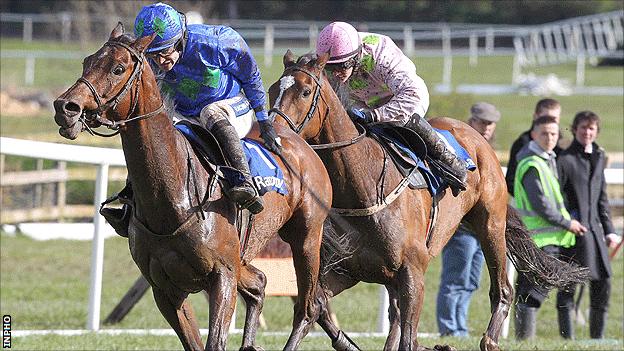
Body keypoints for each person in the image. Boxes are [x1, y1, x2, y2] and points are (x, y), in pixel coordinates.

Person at [101, 3, 280, 235]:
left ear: (180, 39)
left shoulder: (218, 41)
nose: (160, 61)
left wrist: (263, 119)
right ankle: (131, 202)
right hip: (184, 112)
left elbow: (251, 75)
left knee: (210, 113)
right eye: (153, 55)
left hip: (230, 106)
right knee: (150, 134)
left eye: (165, 51)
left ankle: (243, 183)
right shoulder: (151, 58)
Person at [315, 21, 467, 195]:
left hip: (405, 97)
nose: (335, 73)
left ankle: (449, 161)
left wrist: (374, 116)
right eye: (330, 67)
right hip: (364, 103)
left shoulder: (381, 54)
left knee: (402, 122)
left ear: (356, 56)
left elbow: (412, 94)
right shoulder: (326, 58)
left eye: (341, 66)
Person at [512, 116, 587, 340]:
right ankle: (524, 339)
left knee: (532, 289)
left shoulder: (546, 160)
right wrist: (568, 223)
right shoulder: (532, 164)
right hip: (541, 239)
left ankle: (525, 340)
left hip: (549, 237)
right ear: (534, 135)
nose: (550, 138)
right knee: (534, 291)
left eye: (554, 133)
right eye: (544, 133)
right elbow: (541, 205)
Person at [436, 102, 500, 337]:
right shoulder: (459, 147)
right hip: (462, 227)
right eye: (482, 123)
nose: (486, 128)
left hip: (478, 229)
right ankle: (450, 329)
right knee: (455, 279)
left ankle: (459, 327)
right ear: (472, 121)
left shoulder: (488, 149)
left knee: (471, 281)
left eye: (490, 124)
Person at [556, 111, 622, 339]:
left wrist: (610, 231)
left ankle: (598, 339)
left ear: (597, 131)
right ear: (574, 129)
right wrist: (568, 221)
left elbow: (601, 199)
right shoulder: (564, 159)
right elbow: (558, 198)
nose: (587, 132)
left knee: (603, 284)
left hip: (595, 233)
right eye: (583, 127)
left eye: (592, 128)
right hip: (573, 233)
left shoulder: (598, 156)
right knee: (569, 287)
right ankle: (568, 339)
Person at [505, 98, 562, 196]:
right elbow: (511, 180)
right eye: (545, 118)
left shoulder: (561, 144)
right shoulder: (523, 143)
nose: (549, 122)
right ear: (535, 116)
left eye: (553, 119)